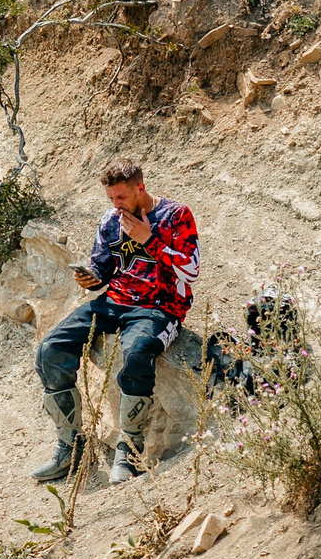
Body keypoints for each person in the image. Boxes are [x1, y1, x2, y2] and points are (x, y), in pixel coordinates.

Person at [31, 158, 199, 486]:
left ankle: (130, 451)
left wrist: (149, 239)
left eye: (121, 197)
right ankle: (70, 447)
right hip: (115, 302)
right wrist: (90, 278)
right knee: (50, 348)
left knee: (136, 353)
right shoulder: (111, 220)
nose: (115, 204)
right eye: (110, 198)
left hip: (160, 307)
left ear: (140, 188)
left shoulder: (176, 215)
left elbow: (191, 272)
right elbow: (102, 269)